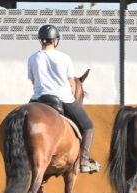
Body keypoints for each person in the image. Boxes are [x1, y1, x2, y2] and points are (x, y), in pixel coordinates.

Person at [28, 24, 100, 173]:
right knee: (88, 126)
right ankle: (85, 162)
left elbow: (33, 82)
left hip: (38, 98)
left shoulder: (33, 58)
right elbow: (71, 84)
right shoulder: (64, 58)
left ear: (41, 40)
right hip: (62, 98)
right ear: (55, 40)